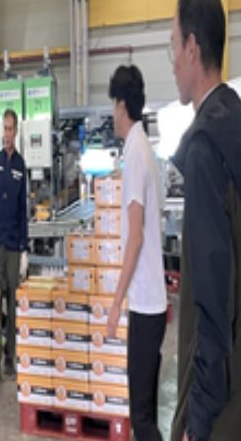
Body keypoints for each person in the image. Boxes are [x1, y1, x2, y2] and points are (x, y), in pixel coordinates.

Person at [168, 0, 241, 441]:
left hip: (221, 417)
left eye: (173, 46)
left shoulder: (205, 150)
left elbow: (212, 299)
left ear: (193, 48)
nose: (172, 61)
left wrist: (197, 421)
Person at [105, 65, 167, 441]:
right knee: (146, 412)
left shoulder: (135, 153)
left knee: (141, 418)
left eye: (113, 104)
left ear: (122, 105)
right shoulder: (143, 147)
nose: (112, 113)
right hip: (151, 303)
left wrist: (116, 302)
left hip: (145, 304)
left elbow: (136, 238)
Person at [0, 108, 29, 377]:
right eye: (5, 129)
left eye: (11, 129)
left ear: (16, 131)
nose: (7, 134)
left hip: (13, 245)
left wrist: (24, 248)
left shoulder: (20, 166)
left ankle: (11, 356)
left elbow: (23, 209)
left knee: (12, 303)